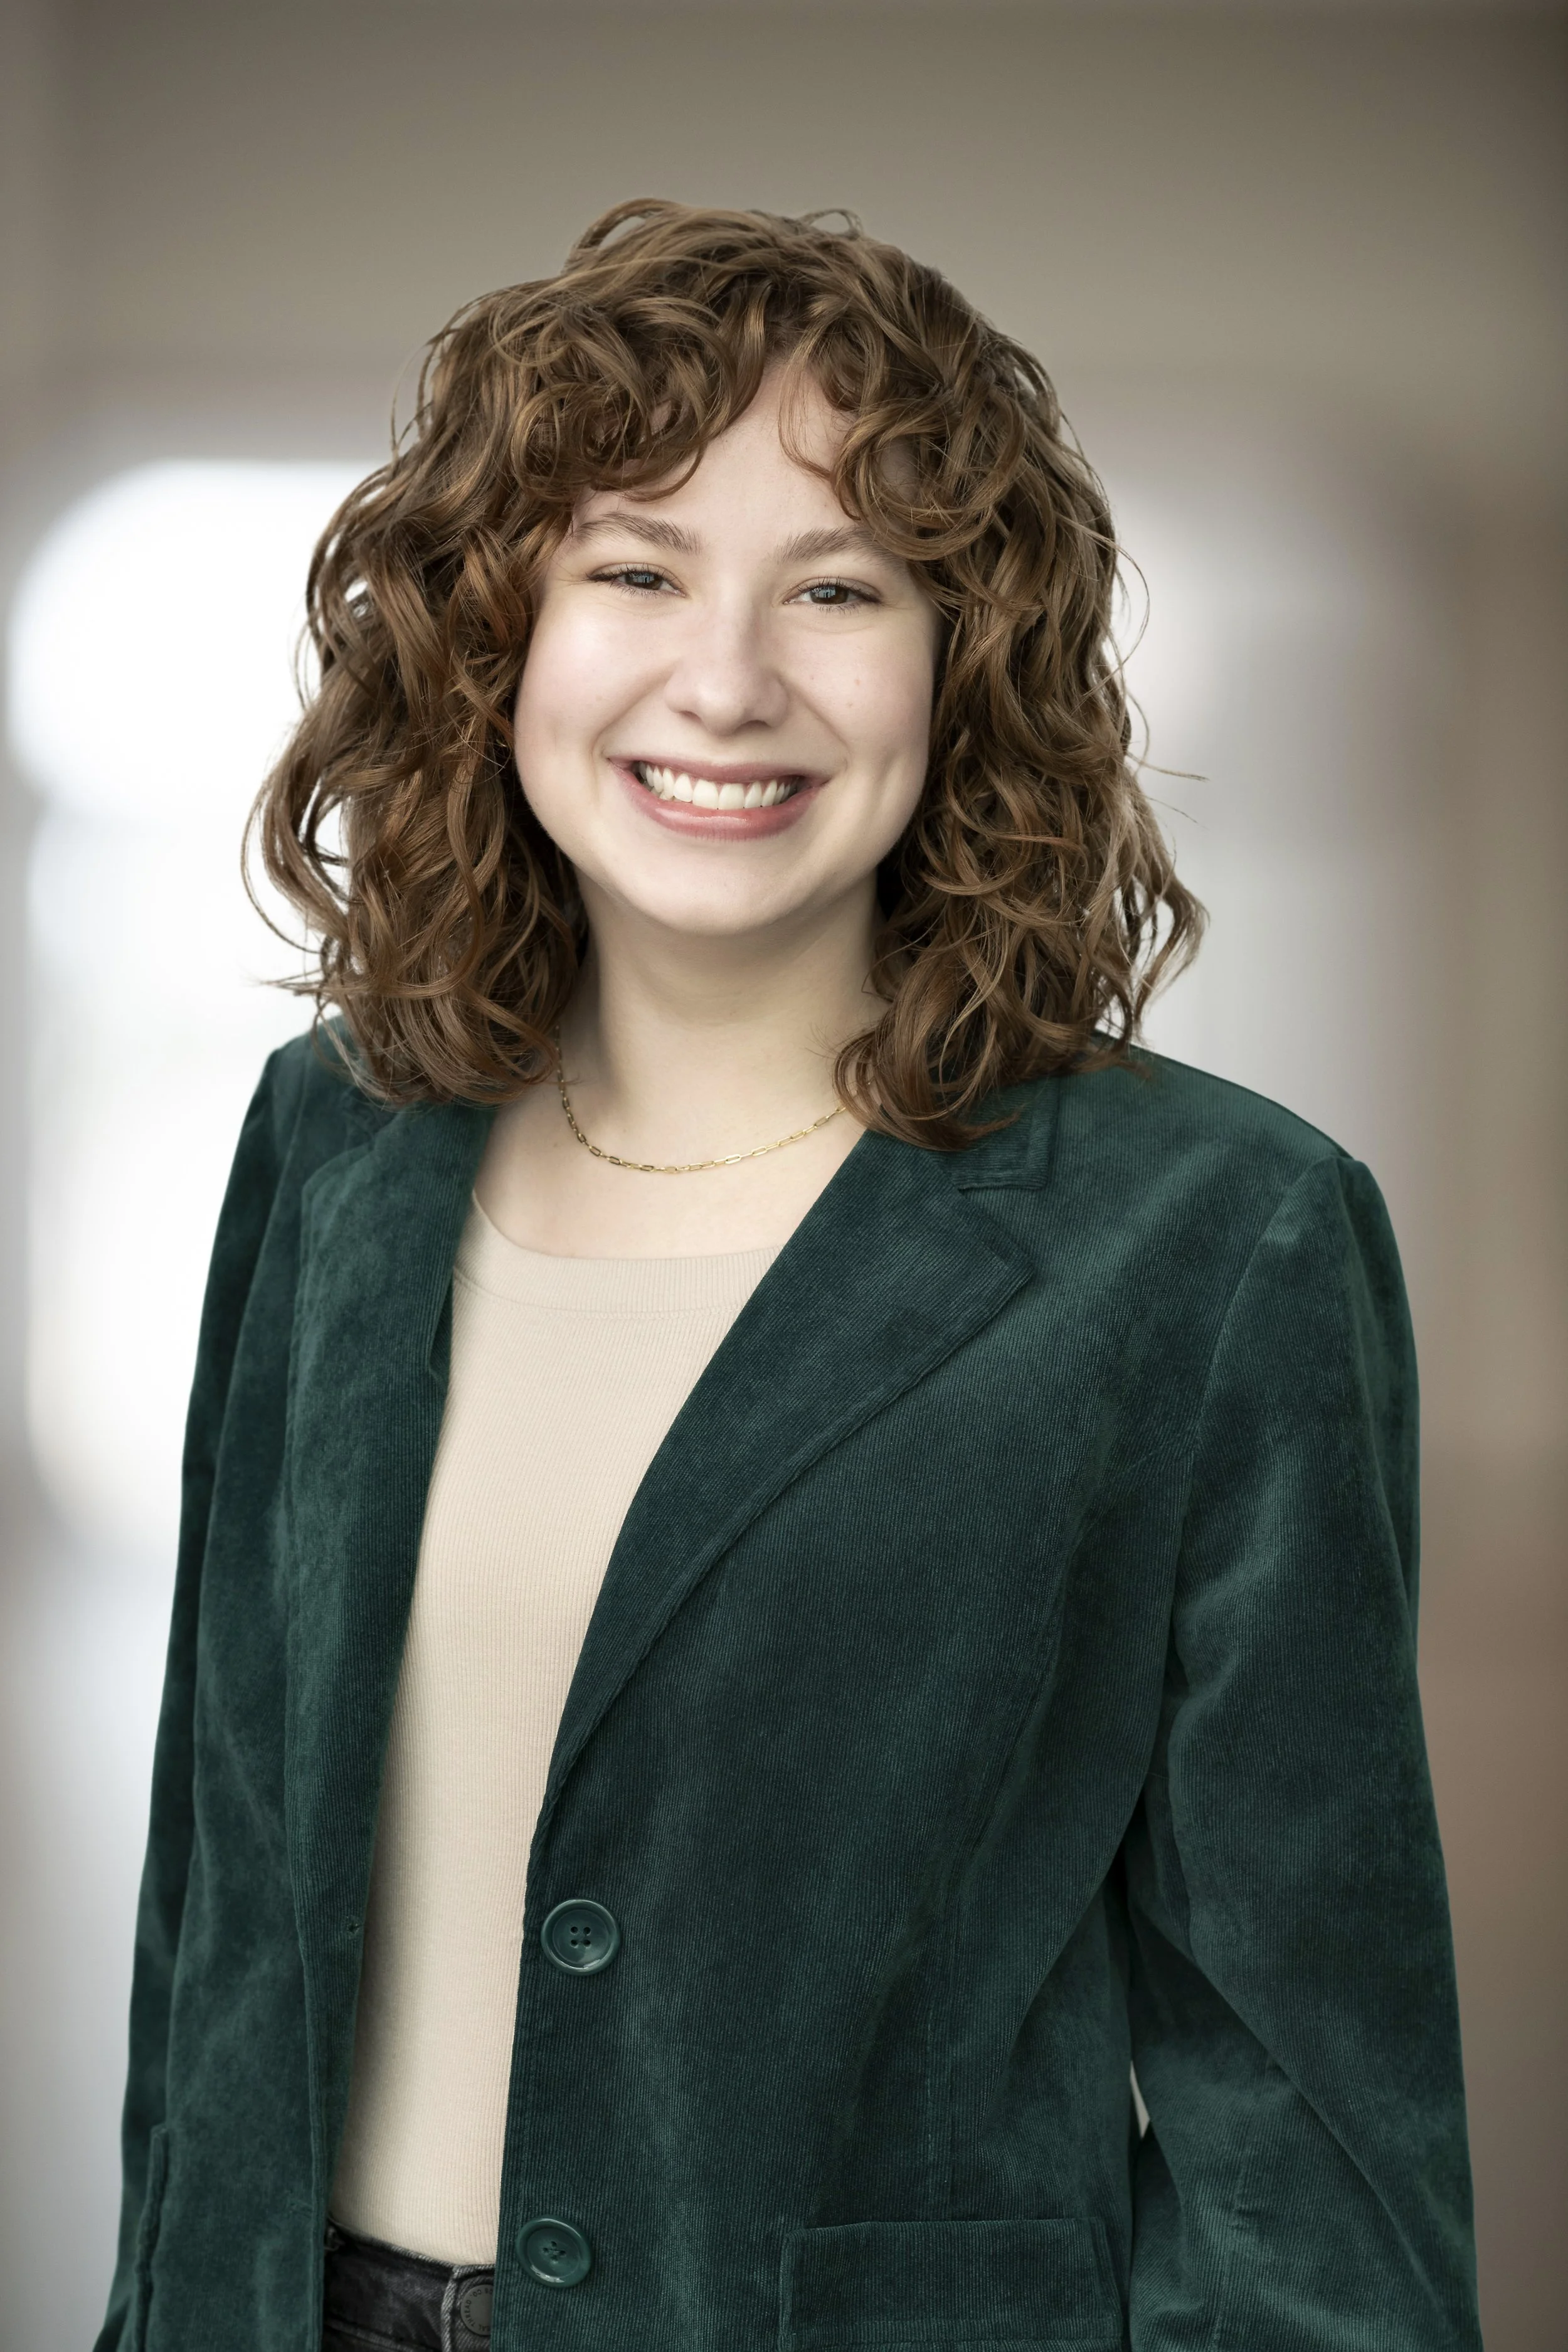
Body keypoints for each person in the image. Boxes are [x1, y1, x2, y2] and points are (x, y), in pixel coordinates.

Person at [96, 200, 1481, 2352]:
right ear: (495, 633)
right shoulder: (336, 1142)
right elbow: (220, 1921)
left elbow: (1309, 2140)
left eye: (836, 588)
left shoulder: (1214, 1239)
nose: (726, 679)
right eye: (634, 570)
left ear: (962, 661)